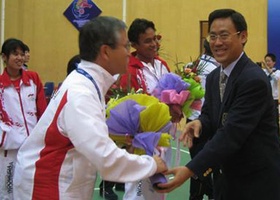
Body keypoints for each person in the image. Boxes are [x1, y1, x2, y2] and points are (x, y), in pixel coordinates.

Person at [13, 16, 167, 200]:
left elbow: (92, 136)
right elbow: (105, 159)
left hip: (64, 182)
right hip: (49, 186)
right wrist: (151, 164)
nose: (129, 53)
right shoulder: (81, 93)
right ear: (105, 52)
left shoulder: (88, 83)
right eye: (125, 46)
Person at [156, 9, 280, 200]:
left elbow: (232, 133)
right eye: (213, 36)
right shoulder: (215, 77)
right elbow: (210, 115)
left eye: (224, 35)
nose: (217, 42)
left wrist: (191, 169)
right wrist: (200, 123)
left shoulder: (253, 79)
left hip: (255, 182)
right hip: (226, 178)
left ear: (243, 36)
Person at [118, 18, 171, 200]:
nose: (154, 44)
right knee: (137, 189)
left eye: (155, 38)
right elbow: (126, 107)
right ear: (134, 45)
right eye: (147, 41)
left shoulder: (162, 64)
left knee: (159, 184)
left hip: (162, 136)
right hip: (140, 139)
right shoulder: (128, 70)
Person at [0, 38, 47, 199]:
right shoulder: (0, 85)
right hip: (9, 149)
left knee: (31, 186)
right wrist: (7, 138)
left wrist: (42, 138)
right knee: (7, 189)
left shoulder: (33, 79)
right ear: (4, 57)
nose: (20, 58)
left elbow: (43, 111)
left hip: (33, 146)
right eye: (15, 54)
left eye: (22, 54)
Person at [187, 40, 218, 200]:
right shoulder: (217, 70)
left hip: (191, 119)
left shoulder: (189, 66)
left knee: (199, 160)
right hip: (206, 122)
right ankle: (205, 194)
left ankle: (203, 194)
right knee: (203, 161)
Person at [262, 53, 280, 134]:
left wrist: (268, 69)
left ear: (274, 62)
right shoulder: (263, 72)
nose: (267, 63)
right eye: (266, 61)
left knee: (274, 118)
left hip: (273, 99)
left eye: (269, 61)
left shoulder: (277, 72)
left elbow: (276, 79)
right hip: (264, 98)